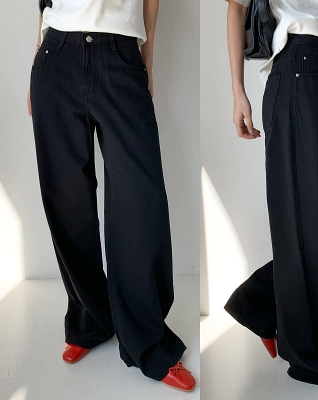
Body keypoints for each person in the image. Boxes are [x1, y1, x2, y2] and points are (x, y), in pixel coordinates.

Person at [27, 0, 195, 392]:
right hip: (55, 56)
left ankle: (147, 339)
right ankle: (90, 320)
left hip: (121, 55)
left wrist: (146, 62)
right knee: (66, 202)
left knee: (141, 204)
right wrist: (35, 60)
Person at [222, 0, 318, 386]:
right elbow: (236, 7)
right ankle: (312, 355)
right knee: (303, 221)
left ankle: (259, 301)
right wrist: (238, 92)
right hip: (298, 67)